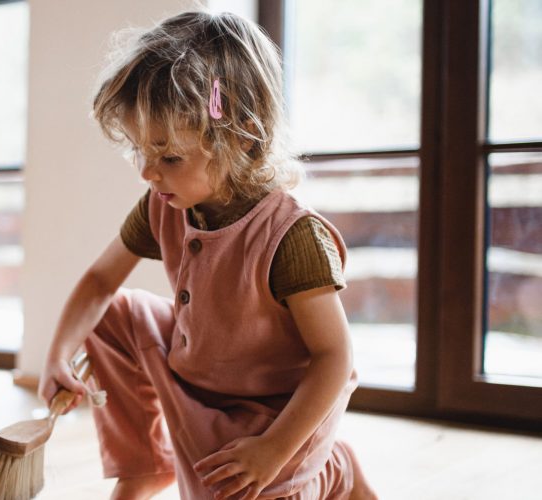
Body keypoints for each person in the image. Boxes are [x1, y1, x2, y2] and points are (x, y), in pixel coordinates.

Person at [37, 11, 378, 500]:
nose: (147, 173)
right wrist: (55, 356)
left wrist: (274, 450)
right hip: (192, 379)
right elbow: (99, 283)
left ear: (240, 137)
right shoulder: (163, 203)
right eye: (139, 151)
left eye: (169, 157)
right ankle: (146, 466)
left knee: (235, 488)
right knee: (112, 315)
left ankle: (333, 469)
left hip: (278, 414)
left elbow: (335, 359)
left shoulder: (292, 237)